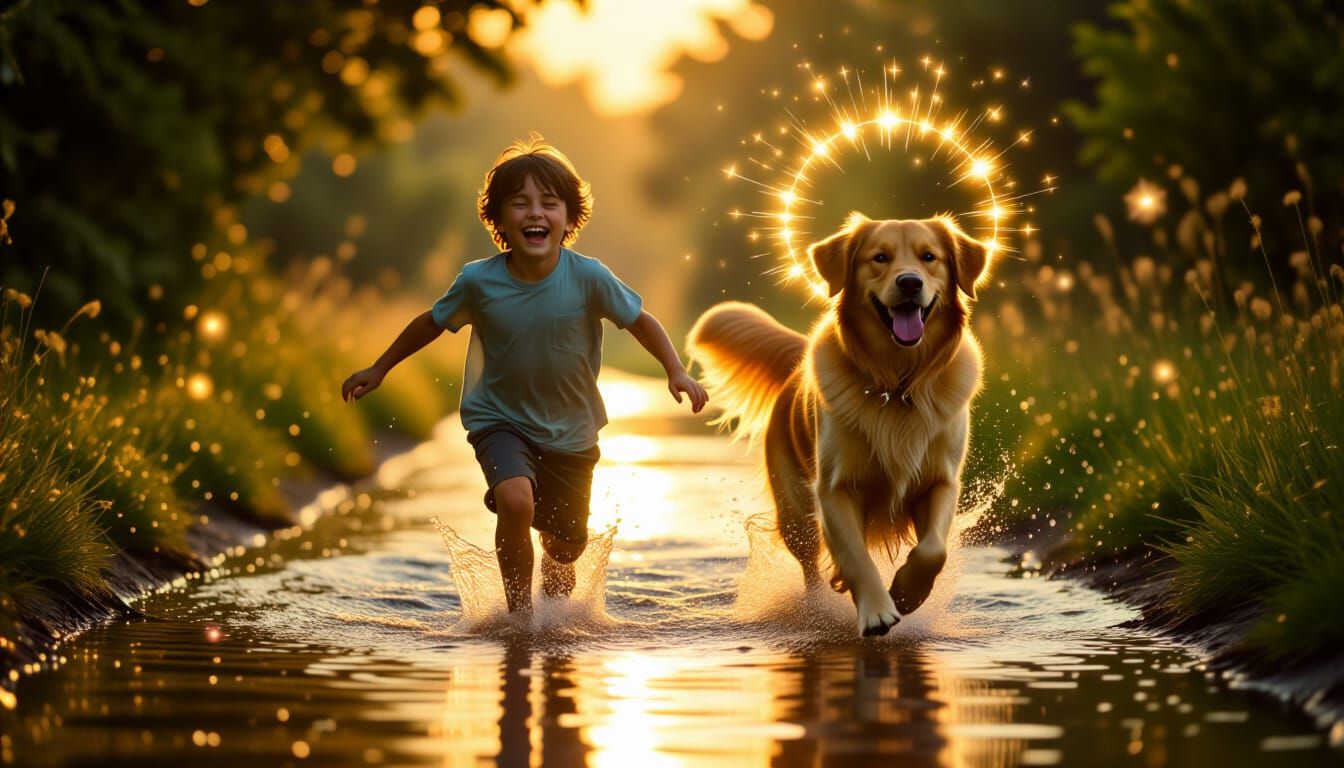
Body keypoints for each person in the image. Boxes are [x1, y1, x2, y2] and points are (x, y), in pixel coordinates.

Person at [341, 134, 707, 614]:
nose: (535, 213)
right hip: (500, 420)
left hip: (572, 433)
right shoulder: (478, 281)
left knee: (564, 547)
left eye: (549, 204)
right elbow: (431, 322)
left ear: (569, 219)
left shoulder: (589, 277)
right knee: (516, 502)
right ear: (499, 219)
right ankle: (520, 618)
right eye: (520, 204)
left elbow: (640, 319)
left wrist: (675, 370)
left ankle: (554, 618)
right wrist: (380, 367)